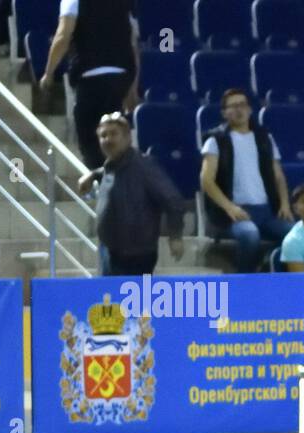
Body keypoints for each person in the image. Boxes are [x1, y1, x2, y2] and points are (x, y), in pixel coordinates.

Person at [78, 112, 184, 276]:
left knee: (130, 302)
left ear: (128, 138)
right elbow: (115, 174)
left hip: (135, 256)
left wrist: (175, 236)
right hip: (109, 250)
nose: (107, 140)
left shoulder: (144, 166)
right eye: (103, 136)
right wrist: (93, 174)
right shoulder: (111, 165)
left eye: (113, 134)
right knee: (111, 300)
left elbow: (173, 200)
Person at [200, 88, 294, 273]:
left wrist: (284, 203)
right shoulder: (216, 140)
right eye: (233, 106)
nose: (239, 109)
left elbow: (278, 176)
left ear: (250, 109)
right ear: (224, 113)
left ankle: (272, 270)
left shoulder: (264, 138)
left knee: (297, 234)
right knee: (250, 235)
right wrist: (230, 207)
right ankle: (244, 280)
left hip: (267, 211)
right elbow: (206, 180)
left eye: (242, 105)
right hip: (234, 214)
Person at [39, 0, 139, 172]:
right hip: (121, 76)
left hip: (90, 77)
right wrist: (132, 89)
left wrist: (48, 73)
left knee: (90, 142)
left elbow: (63, 36)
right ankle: (116, 180)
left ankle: (99, 183)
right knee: (115, 136)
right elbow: (132, 44)